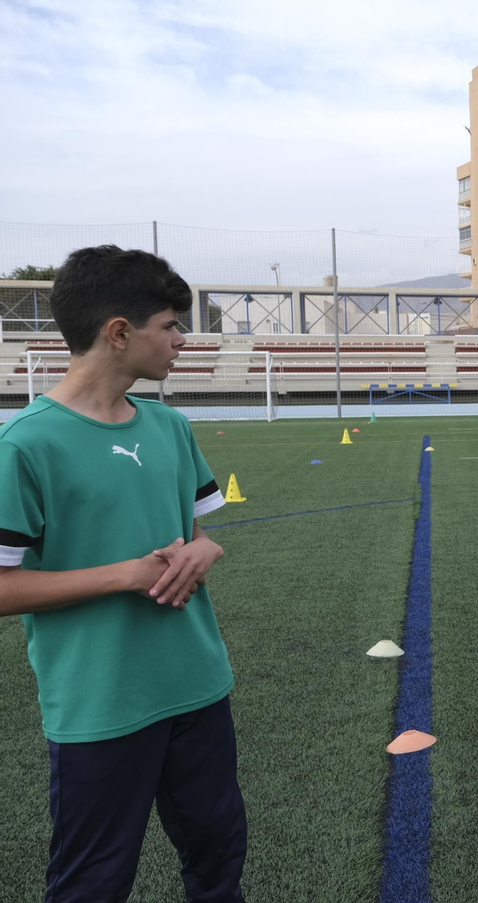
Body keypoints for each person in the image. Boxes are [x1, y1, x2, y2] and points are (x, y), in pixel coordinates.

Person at [0, 246, 246, 901]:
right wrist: (126, 575)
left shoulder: (169, 425)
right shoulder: (26, 444)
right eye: (170, 325)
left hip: (198, 685)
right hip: (101, 704)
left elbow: (195, 535)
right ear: (118, 332)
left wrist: (204, 551)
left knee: (219, 855)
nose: (181, 341)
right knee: (92, 882)